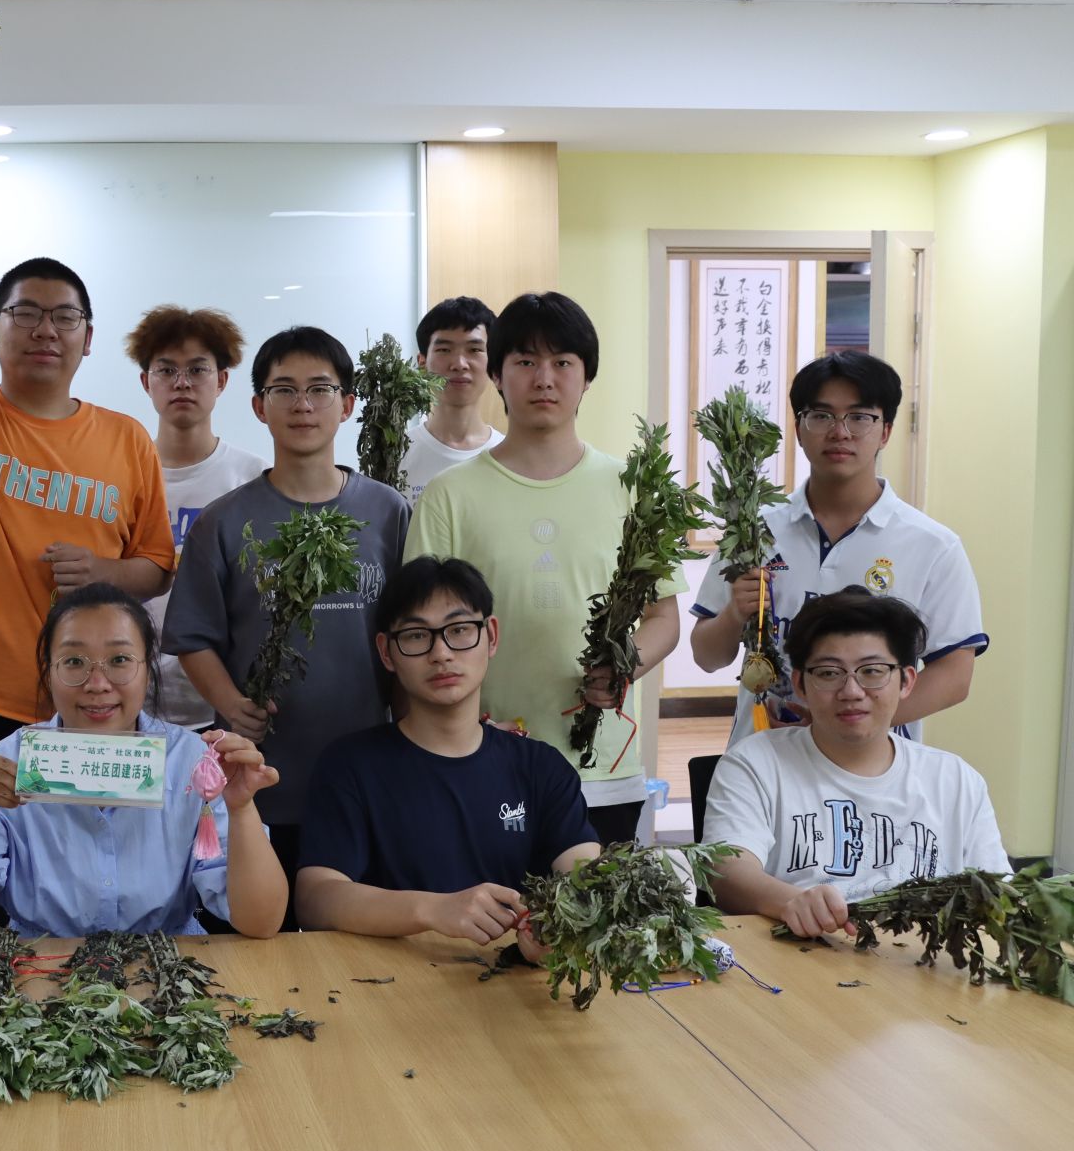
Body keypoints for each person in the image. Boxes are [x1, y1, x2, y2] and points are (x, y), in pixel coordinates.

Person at [0, 131, 177, 875]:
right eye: (26, 313)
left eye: (65, 317)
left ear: (88, 338)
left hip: (91, 701)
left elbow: (155, 565)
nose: (47, 329)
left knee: (82, 879)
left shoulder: (127, 438)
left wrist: (104, 570)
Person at [406, 291, 684, 848]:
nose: (544, 379)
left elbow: (664, 618)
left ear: (587, 377)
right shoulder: (449, 495)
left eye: (562, 362)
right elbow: (420, 628)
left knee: (600, 899)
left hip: (603, 768)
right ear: (498, 375)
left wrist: (624, 665)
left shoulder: (633, 489)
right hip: (482, 757)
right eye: (526, 361)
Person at [162, 326, 408, 887]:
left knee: (354, 924)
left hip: (369, 771)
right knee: (262, 924)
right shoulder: (224, 522)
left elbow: (409, 634)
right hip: (260, 775)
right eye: (284, 390)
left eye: (320, 389)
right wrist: (230, 702)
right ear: (258, 406)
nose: (303, 405)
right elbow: (191, 636)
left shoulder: (386, 511)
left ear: (347, 405)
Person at [0, 583, 285, 942]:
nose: (97, 683)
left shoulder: (198, 764)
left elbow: (261, 921)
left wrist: (241, 808)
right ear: (48, 671)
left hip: (169, 965)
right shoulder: (5, 766)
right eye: (74, 662)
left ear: (148, 668)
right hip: (37, 965)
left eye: (119, 660)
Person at [295, 557, 599, 952]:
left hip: (510, 981)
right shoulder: (349, 766)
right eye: (416, 636)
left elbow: (584, 879)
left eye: (459, 630)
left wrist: (553, 934)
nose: (441, 653)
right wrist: (433, 909)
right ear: (386, 652)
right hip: (382, 981)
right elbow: (315, 899)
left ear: (491, 636)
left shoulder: (541, 767)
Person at [691, 350, 984, 746]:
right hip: (762, 759)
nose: (840, 432)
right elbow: (707, 657)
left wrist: (839, 721)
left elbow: (955, 676)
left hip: (875, 767)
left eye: (859, 417)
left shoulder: (933, 546)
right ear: (799, 429)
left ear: (885, 431)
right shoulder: (754, 530)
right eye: (822, 415)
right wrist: (732, 614)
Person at [705, 588, 1009, 938]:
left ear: (906, 681)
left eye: (873, 671)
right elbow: (726, 872)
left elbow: (998, 895)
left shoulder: (955, 780)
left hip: (917, 962)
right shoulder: (755, 763)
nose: (851, 691)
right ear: (800, 684)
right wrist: (791, 902)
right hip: (799, 955)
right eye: (829, 673)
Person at [125, 304, 265, 728]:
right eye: (166, 370)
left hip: (224, 706)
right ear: (146, 382)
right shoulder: (120, 475)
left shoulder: (253, 478)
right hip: (127, 703)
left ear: (221, 381)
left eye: (197, 370)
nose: (182, 382)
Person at [403, 297, 503, 503]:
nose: (459, 364)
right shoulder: (397, 456)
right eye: (444, 350)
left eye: (474, 350)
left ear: (493, 362)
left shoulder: (511, 457)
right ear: (422, 363)